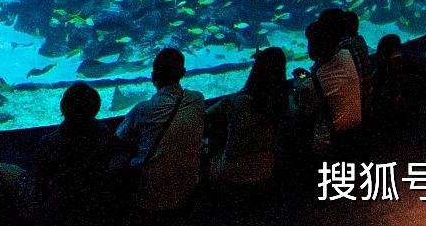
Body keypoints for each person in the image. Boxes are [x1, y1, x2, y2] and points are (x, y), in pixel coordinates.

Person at [113, 48, 203, 215]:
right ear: (183, 73)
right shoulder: (197, 99)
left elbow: (118, 137)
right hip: (189, 191)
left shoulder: (142, 109)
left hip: (149, 197)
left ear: (153, 76)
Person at [30, 81, 124, 226]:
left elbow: (40, 188)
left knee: (3, 170)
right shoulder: (108, 137)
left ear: (63, 107)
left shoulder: (49, 143)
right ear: (96, 108)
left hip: (62, 210)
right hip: (98, 207)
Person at [204, 47, 286, 194]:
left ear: (255, 71)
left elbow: (205, 115)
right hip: (266, 168)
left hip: (231, 172)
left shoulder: (236, 101)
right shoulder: (283, 102)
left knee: (206, 156)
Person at [296, 19, 362, 153]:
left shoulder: (313, 82)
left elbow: (306, 111)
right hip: (357, 129)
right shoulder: (347, 54)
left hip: (332, 139)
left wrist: (300, 83)